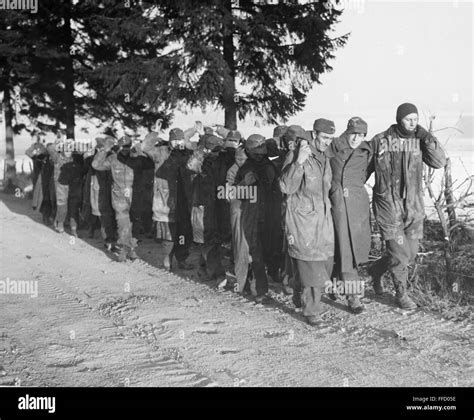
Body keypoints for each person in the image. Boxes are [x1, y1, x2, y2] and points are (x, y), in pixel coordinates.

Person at [367, 103, 446, 309]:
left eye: (416, 119)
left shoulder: (420, 141)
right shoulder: (380, 141)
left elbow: (439, 162)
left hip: (413, 206)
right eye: (408, 119)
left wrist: (426, 136)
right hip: (388, 205)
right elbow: (361, 171)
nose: (413, 123)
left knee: (410, 252)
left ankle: (376, 270)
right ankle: (401, 294)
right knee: (399, 252)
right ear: (398, 119)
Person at [279, 122, 335, 326]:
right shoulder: (298, 154)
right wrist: (298, 163)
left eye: (330, 139)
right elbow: (285, 186)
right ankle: (311, 310)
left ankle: (297, 293)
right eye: (324, 138)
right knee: (311, 264)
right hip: (302, 219)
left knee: (326, 261)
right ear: (314, 134)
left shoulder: (324, 158)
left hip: (323, 219)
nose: (327, 142)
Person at [327, 117, 372, 314]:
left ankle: (335, 281)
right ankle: (353, 296)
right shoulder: (334, 145)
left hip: (358, 202)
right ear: (347, 131)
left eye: (361, 134)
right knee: (345, 250)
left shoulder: (366, 150)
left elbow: (365, 173)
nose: (356, 138)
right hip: (337, 201)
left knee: (352, 248)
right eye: (354, 133)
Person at [227, 134, 275, 303]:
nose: (260, 156)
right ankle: (240, 287)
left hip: (261, 214)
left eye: (262, 153)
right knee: (242, 251)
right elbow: (227, 193)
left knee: (259, 252)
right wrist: (244, 184)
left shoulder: (266, 165)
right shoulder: (237, 166)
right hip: (242, 212)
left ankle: (260, 290)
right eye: (256, 153)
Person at [92, 135, 154, 262]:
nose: (125, 149)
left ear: (130, 146)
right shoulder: (113, 159)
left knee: (135, 223)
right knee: (122, 223)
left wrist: (142, 150)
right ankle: (123, 250)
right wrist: (104, 149)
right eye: (122, 147)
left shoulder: (138, 159)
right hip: (119, 196)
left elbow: (153, 163)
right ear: (119, 147)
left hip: (135, 195)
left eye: (127, 146)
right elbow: (96, 165)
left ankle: (132, 248)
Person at [142, 128, 194, 270]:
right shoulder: (161, 152)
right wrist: (154, 132)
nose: (178, 143)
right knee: (168, 233)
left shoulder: (187, 153)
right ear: (170, 140)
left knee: (184, 232)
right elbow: (145, 147)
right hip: (166, 199)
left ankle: (182, 259)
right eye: (175, 140)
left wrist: (197, 132)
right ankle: (167, 260)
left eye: (180, 139)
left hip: (184, 199)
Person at [187, 134, 227, 282]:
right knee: (207, 239)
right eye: (214, 150)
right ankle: (218, 274)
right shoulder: (197, 163)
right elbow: (191, 166)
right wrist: (200, 152)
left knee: (211, 240)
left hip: (215, 207)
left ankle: (203, 270)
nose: (218, 153)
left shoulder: (215, 162)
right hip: (201, 208)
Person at [82, 137, 117, 250]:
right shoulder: (94, 158)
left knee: (109, 215)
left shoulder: (113, 156)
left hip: (112, 189)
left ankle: (111, 238)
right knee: (103, 214)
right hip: (97, 190)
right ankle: (108, 240)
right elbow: (90, 164)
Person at [47, 139, 85, 236]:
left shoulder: (76, 158)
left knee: (73, 207)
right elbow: (50, 148)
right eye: (66, 149)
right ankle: (60, 223)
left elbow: (83, 151)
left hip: (73, 186)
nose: (68, 151)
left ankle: (73, 228)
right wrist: (58, 144)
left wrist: (75, 145)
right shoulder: (57, 157)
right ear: (62, 150)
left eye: (70, 149)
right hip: (61, 186)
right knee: (62, 207)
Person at [28, 141, 56, 226]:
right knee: (46, 199)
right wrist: (34, 146)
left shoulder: (56, 156)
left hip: (53, 181)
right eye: (50, 148)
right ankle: (46, 218)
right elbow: (28, 153)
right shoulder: (43, 156)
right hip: (44, 181)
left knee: (52, 200)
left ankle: (51, 218)